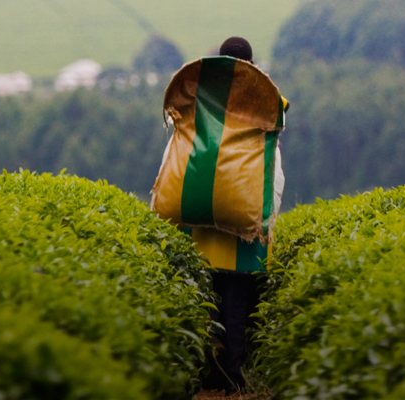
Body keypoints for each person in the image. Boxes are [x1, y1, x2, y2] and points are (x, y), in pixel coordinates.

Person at [152, 36, 289, 394]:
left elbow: (174, 162)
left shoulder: (197, 104)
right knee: (237, 301)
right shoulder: (261, 108)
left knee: (205, 295)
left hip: (197, 226)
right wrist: (266, 219)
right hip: (242, 228)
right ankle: (234, 376)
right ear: (251, 66)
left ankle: (210, 369)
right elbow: (272, 172)